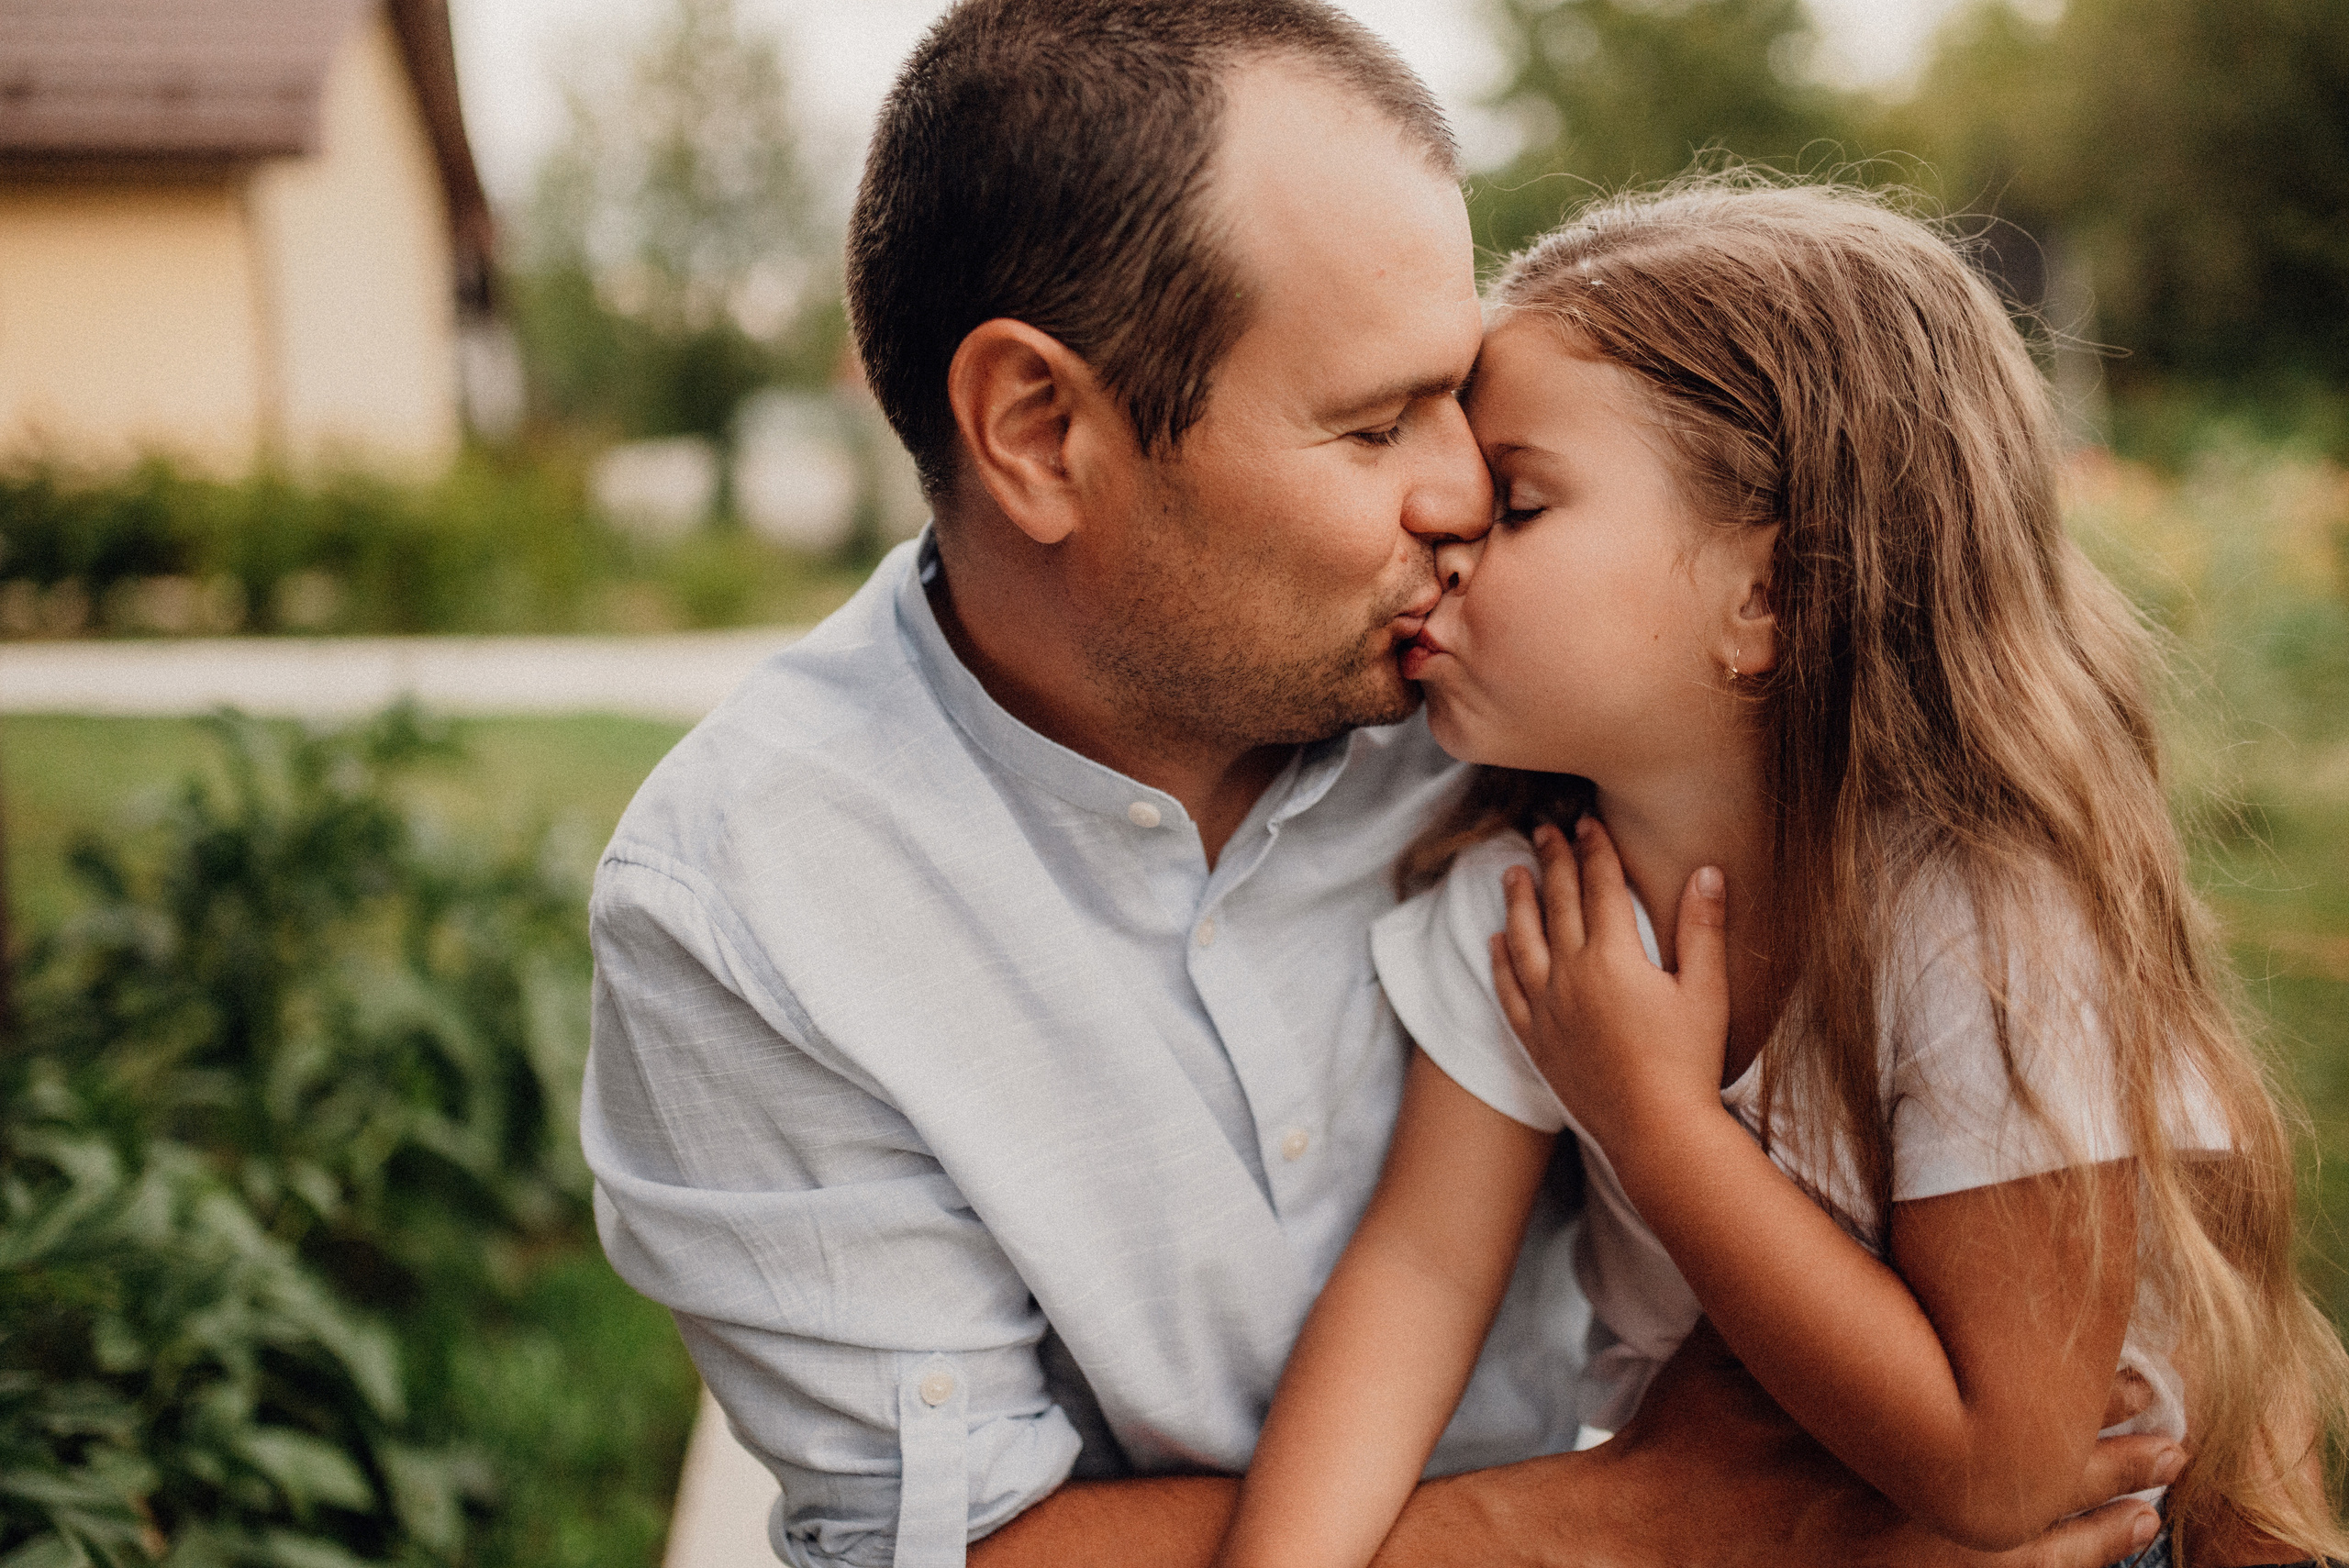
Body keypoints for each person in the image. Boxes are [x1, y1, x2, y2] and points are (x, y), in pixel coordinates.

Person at [581, 4, 2179, 1563]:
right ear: (1042, 430)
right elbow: (949, 1549)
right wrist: (1645, 1521)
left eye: (1464, 401)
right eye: (1374, 422)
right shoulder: (749, 906)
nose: (1463, 488)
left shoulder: (1539, 710)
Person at [1214, 180, 2349, 1568]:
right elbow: (1418, 1274)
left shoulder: (1977, 916)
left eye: (1517, 500)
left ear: (1769, 595)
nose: (1444, 525)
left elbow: (2002, 1471)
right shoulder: (1540, 903)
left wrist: (1660, 1124)